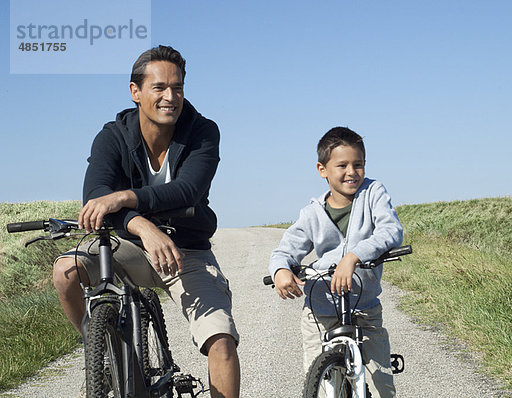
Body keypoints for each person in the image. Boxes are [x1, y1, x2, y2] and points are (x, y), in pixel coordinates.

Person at [52, 45, 240, 398]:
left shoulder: (202, 132)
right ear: (135, 92)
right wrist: (141, 225)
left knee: (222, 342)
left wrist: (125, 197)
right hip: (127, 246)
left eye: (178, 88)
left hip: (186, 250)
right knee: (66, 271)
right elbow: (95, 196)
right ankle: (100, 351)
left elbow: (188, 190)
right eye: (160, 88)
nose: (171, 97)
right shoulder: (113, 136)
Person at [268, 127, 403, 397]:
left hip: (363, 306)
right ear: (322, 169)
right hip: (321, 310)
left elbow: (391, 231)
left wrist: (352, 257)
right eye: (342, 165)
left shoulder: (373, 193)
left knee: (380, 386)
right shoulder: (311, 214)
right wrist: (281, 270)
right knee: (320, 383)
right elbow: (285, 251)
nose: (351, 172)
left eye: (358, 164)